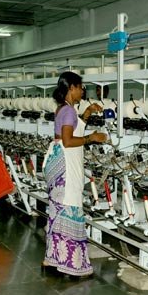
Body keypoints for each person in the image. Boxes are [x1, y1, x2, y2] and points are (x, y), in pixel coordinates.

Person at [41, 72, 107, 277]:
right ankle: (71, 264)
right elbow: (69, 141)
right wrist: (92, 138)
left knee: (57, 212)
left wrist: (87, 113)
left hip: (59, 164)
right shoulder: (68, 111)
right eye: (80, 87)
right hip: (67, 167)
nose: (82, 90)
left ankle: (51, 259)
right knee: (69, 207)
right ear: (71, 88)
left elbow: (73, 130)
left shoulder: (64, 109)